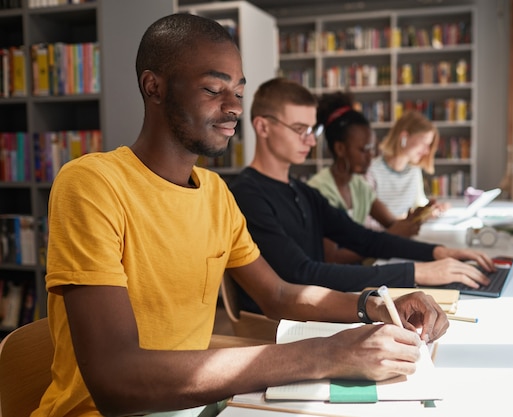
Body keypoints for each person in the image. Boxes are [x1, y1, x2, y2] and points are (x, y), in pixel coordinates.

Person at [32, 14, 451, 417]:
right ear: (153, 87)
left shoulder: (214, 192)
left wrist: (374, 305)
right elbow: (115, 380)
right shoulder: (92, 184)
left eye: (239, 91)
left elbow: (279, 295)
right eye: (214, 89)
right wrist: (324, 354)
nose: (233, 107)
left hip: (197, 403)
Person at [229, 77, 495, 315]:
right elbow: (301, 273)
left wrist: (438, 252)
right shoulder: (247, 195)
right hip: (284, 324)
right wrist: (416, 272)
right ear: (263, 127)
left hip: (318, 308)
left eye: (313, 131)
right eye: (300, 129)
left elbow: (365, 239)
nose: (310, 142)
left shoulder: (301, 191)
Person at [308, 91, 429, 265]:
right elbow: (333, 258)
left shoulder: (358, 184)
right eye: (363, 150)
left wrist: (412, 221)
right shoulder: (320, 190)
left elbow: (391, 223)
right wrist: (392, 235)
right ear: (340, 149)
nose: (370, 157)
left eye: (372, 149)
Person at [366, 109, 450, 226]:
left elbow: (418, 204)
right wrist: (403, 220)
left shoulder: (414, 171)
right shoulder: (371, 171)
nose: (427, 151)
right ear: (404, 137)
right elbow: (366, 219)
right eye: (424, 144)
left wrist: (432, 210)